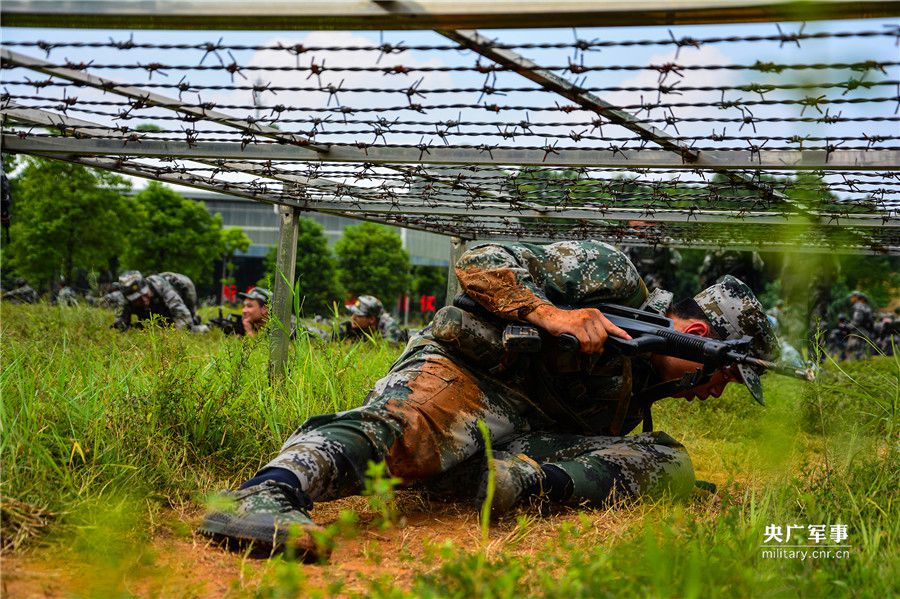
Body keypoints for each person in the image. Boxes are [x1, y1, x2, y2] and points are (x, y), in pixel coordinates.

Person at [198, 240, 777, 560]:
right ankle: (267, 492)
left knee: (668, 460)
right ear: (701, 342)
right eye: (724, 376)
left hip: (518, 442)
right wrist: (550, 314)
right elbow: (481, 259)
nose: (713, 391)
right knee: (405, 427)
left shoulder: (639, 391)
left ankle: (510, 484)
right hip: (471, 374)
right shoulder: (612, 277)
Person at [113, 270, 207, 332]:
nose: (144, 300)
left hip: (184, 288)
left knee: (188, 327)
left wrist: (173, 337)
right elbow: (120, 326)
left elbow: (182, 315)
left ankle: (203, 326)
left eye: (145, 294)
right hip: (156, 307)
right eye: (137, 299)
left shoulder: (161, 287)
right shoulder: (123, 300)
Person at [333, 295, 407, 343]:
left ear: (371, 319)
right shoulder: (356, 326)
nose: (353, 318)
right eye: (353, 314)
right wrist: (339, 335)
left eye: (358, 315)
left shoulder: (389, 326)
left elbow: (387, 351)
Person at [846, 291, 875, 359]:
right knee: (865, 349)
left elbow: (857, 319)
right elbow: (871, 320)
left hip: (858, 330)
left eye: (852, 297)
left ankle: (854, 364)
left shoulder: (858, 306)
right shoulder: (866, 306)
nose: (850, 299)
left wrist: (849, 326)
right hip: (866, 330)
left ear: (856, 297)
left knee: (852, 349)